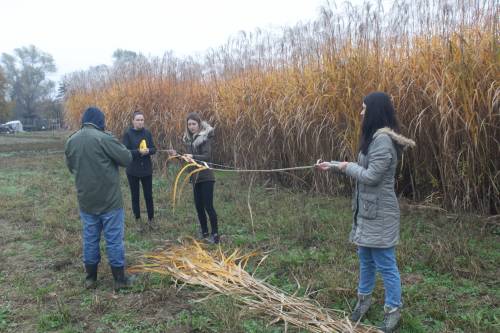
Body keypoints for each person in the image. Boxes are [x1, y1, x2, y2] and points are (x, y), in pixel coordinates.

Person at [316, 92, 415, 333]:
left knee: (385, 263)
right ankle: (364, 301)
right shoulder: (374, 138)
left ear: (374, 111)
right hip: (367, 212)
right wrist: (334, 166)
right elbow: (363, 167)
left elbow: (371, 177)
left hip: (381, 213)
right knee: (365, 260)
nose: (361, 113)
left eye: (363, 109)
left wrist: (347, 167)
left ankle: (393, 310)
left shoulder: (382, 141)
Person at [65, 107, 136, 291]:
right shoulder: (104, 138)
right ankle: (120, 280)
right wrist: (112, 139)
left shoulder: (71, 140)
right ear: (99, 121)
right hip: (110, 201)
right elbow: (127, 158)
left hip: (86, 201)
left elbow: (71, 166)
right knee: (113, 239)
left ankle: (90, 278)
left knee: (90, 238)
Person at [169, 112, 219, 244]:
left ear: (199, 124)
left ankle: (215, 235)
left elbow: (207, 157)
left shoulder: (204, 138)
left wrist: (193, 156)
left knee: (208, 206)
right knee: (198, 207)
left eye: (194, 124)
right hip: (195, 178)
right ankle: (204, 233)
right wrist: (178, 156)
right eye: (189, 124)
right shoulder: (189, 140)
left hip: (206, 177)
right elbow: (188, 159)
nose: (191, 126)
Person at [122, 111, 157, 231]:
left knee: (148, 196)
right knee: (135, 196)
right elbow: (125, 152)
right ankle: (138, 220)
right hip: (133, 170)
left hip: (146, 170)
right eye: (138, 120)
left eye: (142, 120)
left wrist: (149, 151)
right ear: (133, 121)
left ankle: (151, 220)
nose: (140, 122)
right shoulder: (128, 134)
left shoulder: (147, 133)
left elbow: (154, 148)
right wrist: (138, 152)